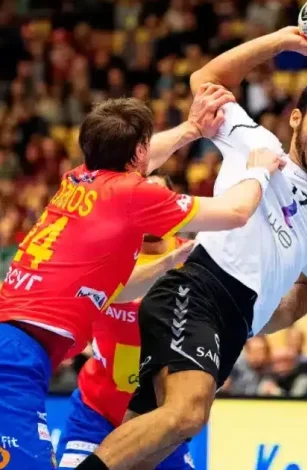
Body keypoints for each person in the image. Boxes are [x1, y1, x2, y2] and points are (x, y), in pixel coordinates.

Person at [0, 88, 286, 469]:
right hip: (7, 369)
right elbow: (235, 212)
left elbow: (114, 292)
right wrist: (258, 169)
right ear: (138, 153)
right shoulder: (132, 195)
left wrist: (192, 129)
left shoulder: (77, 180)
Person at [76, 27, 307, 470]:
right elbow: (205, 79)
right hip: (197, 290)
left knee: (150, 447)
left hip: (237, 323)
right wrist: (281, 41)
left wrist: (262, 320)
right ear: (296, 119)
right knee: (189, 413)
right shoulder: (258, 143)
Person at [56, 188, 198, 468]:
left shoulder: (194, 259)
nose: (152, 210)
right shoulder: (105, 252)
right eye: (145, 202)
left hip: (157, 417)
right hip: (96, 412)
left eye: (159, 201)